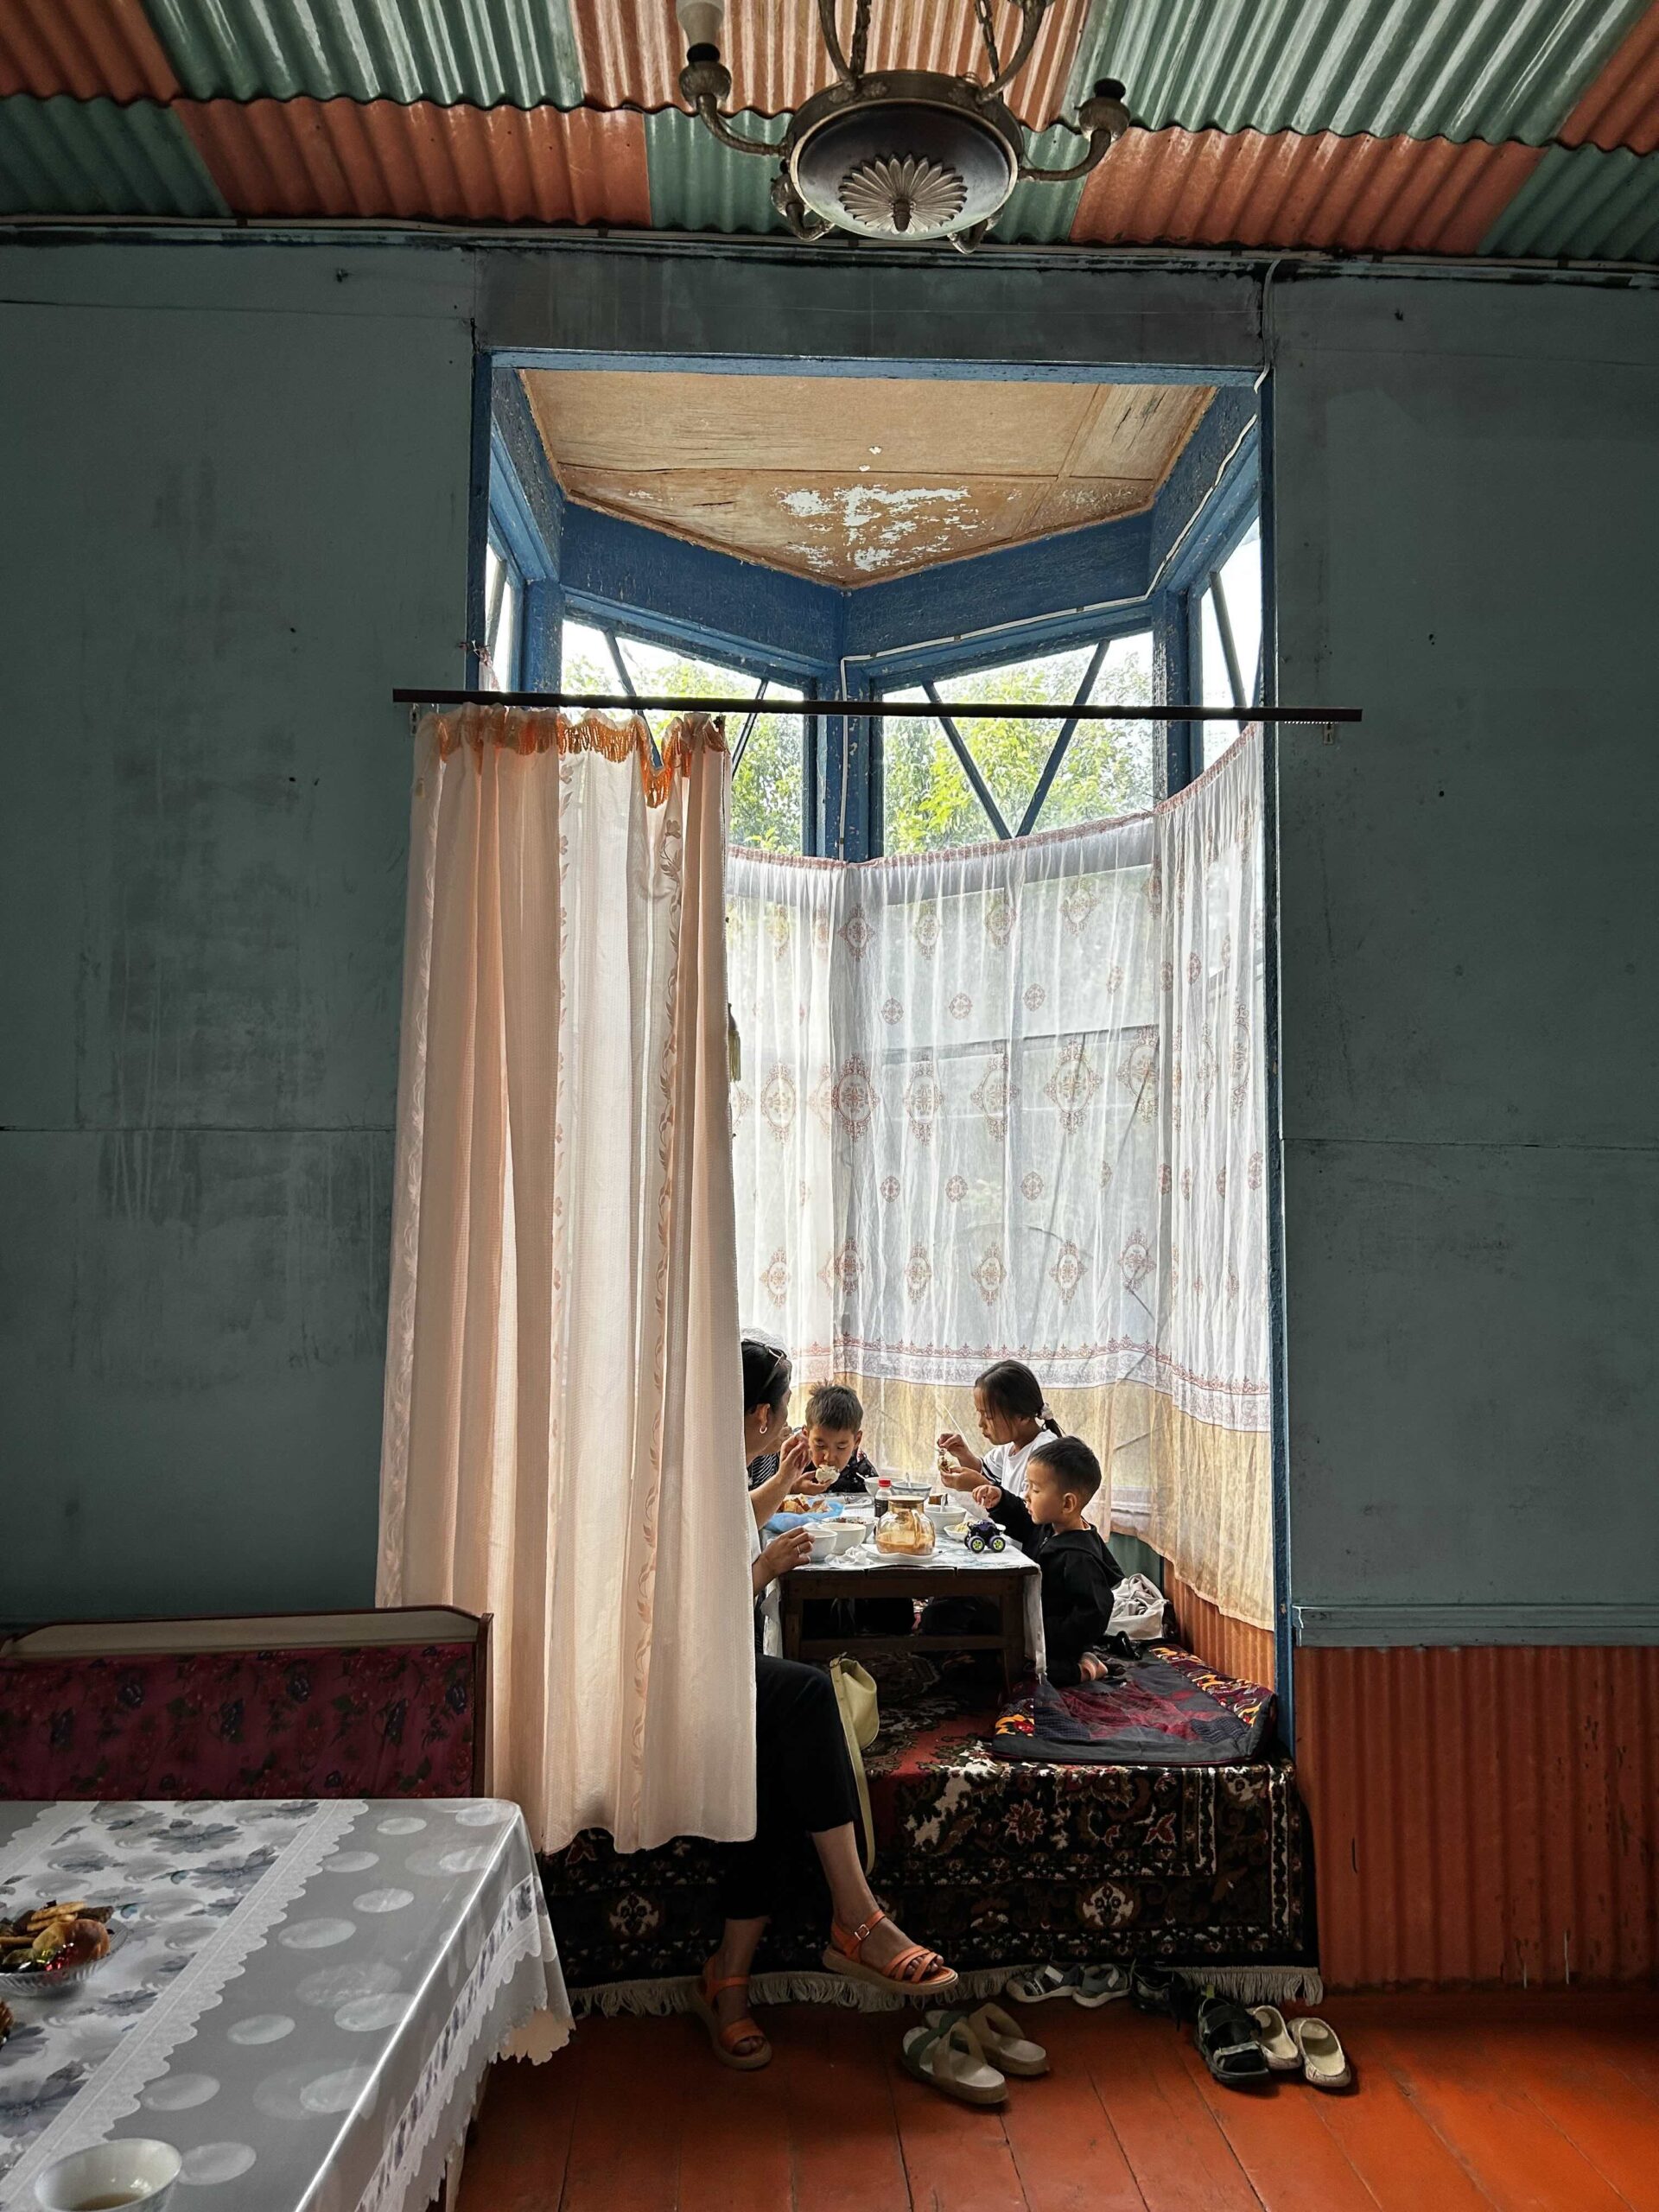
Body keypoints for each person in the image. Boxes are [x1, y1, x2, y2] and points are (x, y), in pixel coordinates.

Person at [695, 1337, 958, 2071]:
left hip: (722, 1669)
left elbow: (723, 1524)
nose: (786, 1433)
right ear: (759, 1415)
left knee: (774, 1761)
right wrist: (762, 1572)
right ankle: (857, 1915)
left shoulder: (716, 1458)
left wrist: (776, 1490)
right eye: (782, 1419)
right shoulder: (689, 1465)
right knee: (807, 1693)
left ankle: (729, 1975)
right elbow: (682, 1612)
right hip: (687, 1679)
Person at [974, 1435, 1123, 1688]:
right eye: (1027, 1486)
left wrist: (1054, 1639)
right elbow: (1023, 1522)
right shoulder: (1049, 1526)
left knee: (1023, 1671)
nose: (1026, 1495)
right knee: (976, 1620)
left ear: (1067, 1503)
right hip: (1033, 1618)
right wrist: (1000, 1499)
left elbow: (1095, 1610)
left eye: (1035, 1489)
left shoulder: (1079, 1556)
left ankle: (1083, 1668)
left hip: (1055, 1639)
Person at [935, 1358, 1061, 1501]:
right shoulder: (1010, 1448)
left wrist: (981, 1486)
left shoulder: (1045, 1454)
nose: (980, 1423)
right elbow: (983, 1472)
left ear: (1022, 1416)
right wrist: (963, 1454)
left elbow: (1030, 1515)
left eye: (988, 1415)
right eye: (979, 1413)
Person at [800, 1381, 878, 1492]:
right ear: (806, 1435)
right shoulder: (793, 1465)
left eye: (841, 1447)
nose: (829, 1458)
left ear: (857, 1441)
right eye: (820, 1445)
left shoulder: (864, 1476)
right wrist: (791, 1490)